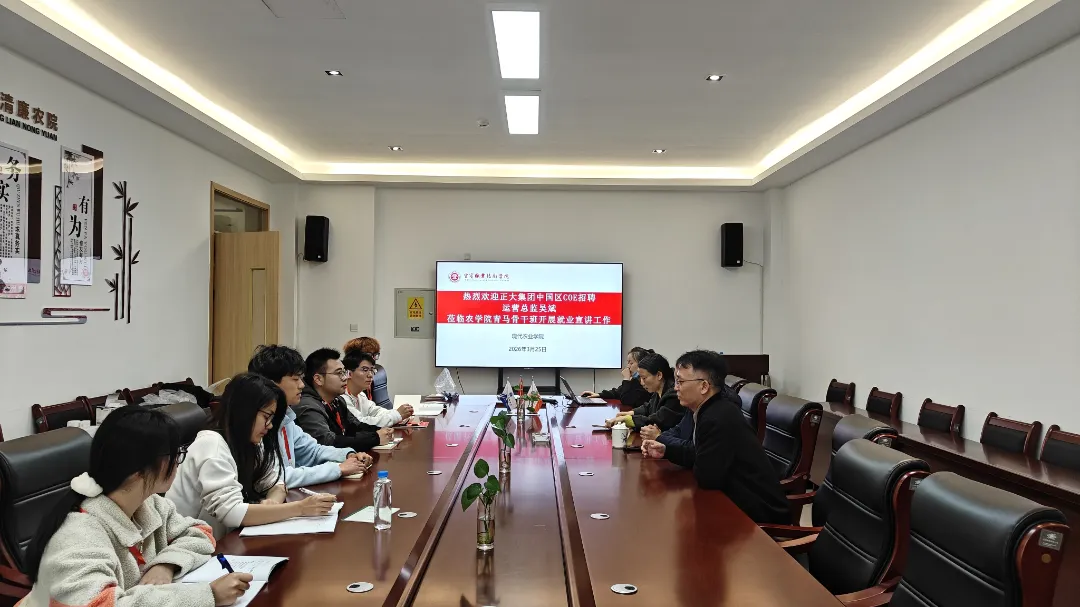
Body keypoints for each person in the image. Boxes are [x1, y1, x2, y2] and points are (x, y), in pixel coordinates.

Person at [22, 405, 254, 607]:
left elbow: (200, 532)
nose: (178, 462)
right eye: (173, 455)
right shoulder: (78, 536)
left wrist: (165, 565)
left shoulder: (148, 504)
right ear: (137, 471)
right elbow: (100, 604)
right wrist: (208, 595)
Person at [166, 373, 337, 539]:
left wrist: (272, 503)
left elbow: (276, 483)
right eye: (266, 417)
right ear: (244, 412)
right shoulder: (212, 445)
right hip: (190, 544)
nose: (270, 426)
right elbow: (231, 513)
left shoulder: (250, 441)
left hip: (224, 539)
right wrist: (300, 508)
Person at [640, 350, 789, 525]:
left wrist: (679, 450)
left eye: (680, 382)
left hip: (756, 516)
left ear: (704, 386)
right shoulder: (708, 408)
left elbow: (706, 477)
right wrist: (666, 449)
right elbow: (701, 454)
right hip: (734, 502)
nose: (675, 387)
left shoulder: (717, 418)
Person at [248, 345, 372, 487]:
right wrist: (338, 469)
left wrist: (347, 455)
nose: (302, 385)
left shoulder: (285, 416)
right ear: (271, 383)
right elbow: (274, 477)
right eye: (295, 379)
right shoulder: (256, 424)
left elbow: (313, 450)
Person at [293, 348, 392, 452]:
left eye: (344, 372)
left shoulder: (337, 400)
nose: (345, 378)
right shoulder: (307, 405)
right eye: (339, 373)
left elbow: (356, 426)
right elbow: (328, 442)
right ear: (318, 379)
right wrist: (375, 438)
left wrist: (381, 431)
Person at [606, 352, 684, 439]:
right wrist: (630, 413)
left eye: (644, 378)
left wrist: (628, 419)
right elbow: (648, 407)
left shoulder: (674, 394)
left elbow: (658, 420)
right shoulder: (658, 391)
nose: (642, 383)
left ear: (659, 375)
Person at [339, 351, 413, 427]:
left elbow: (376, 411)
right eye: (365, 370)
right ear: (349, 373)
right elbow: (361, 423)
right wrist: (397, 415)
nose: (370, 375)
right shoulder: (342, 399)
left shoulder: (361, 395)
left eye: (371, 370)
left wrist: (399, 413)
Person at [582, 347, 651, 407]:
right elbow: (618, 392)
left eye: (631, 363)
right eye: (628, 363)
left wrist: (626, 379)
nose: (628, 366)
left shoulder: (645, 383)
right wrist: (598, 395)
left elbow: (626, 400)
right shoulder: (635, 379)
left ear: (641, 364)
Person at [343, 336, 392, 409]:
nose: (373, 359)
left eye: (375, 355)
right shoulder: (342, 393)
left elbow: (370, 410)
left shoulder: (363, 390)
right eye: (369, 355)